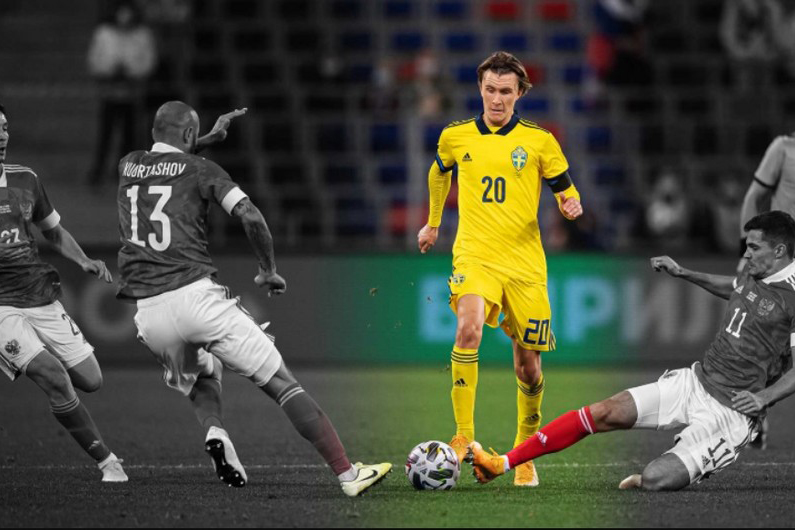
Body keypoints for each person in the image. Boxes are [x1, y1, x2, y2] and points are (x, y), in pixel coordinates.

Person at [116, 101, 391, 496]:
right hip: (195, 298)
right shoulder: (203, 170)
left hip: (150, 316)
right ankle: (348, 475)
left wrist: (204, 138)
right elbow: (249, 214)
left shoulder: (128, 165)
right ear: (189, 134)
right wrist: (267, 269)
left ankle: (215, 431)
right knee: (280, 382)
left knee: (204, 375)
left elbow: (167, 162)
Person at [469, 211, 795, 491]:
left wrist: (764, 399)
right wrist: (684, 273)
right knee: (603, 412)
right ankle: (501, 463)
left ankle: (694, 460)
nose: (746, 254)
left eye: (754, 247)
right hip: (695, 382)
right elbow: (735, 288)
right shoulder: (755, 272)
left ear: (779, 251)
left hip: (730, 412)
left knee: (654, 479)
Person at [417, 51, 584, 487]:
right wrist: (433, 223)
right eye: (489, 89)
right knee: (467, 328)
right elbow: (439, 173)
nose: (496, 99)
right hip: (474, 254)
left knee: (528, 367)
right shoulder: (455, 136)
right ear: (480, 88)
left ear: (519, 93)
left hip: (525, 263)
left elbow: (565, 189)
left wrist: (570, 204)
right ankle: (462, 436)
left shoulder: (539, 141)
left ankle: (524, 453)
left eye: (505, 91)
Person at [0, 104, 127, 482]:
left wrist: (84, 259)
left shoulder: (25, 179)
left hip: (37, 294)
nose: (2, 136)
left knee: (90, 379)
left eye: (4, 127)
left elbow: (53, 231)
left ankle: (30, 353)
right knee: (54, 376)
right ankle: (108, 462)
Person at [87, 1, 157, 187]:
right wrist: (110, 70)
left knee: (130, 136)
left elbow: (148, 61)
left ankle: (125, 173)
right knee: (106, 134)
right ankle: (98, 171)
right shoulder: (104, 33)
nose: (124, 17)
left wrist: (131, 71)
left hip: (132, 94)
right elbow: (94, 60)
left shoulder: (142, 35)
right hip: (109, 92)